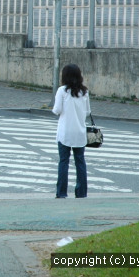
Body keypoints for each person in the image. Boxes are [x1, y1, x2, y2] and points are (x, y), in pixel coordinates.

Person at [52, 63, 91, 199]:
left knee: (64, 162)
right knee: (80, 162)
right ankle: (81, 193)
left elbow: (57, 110)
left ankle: (62, 192)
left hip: (65, 132)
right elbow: (87, 112)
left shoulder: (62, 91)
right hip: (80, 132)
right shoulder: (84, 92)